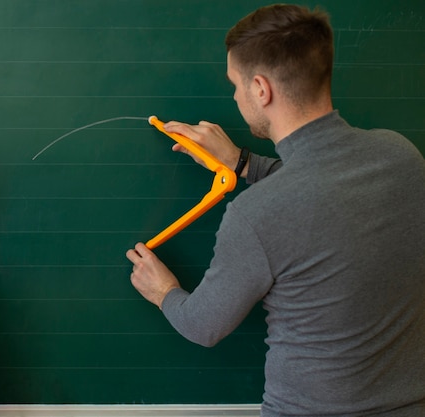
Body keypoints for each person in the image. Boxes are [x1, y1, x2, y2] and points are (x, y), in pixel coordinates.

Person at [126, 4, 425, 416]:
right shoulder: (402, 157)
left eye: (235, 84)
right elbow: (323, 190)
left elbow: (203, 325)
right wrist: (241, 162)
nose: (233, 96)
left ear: (261, 89)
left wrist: (163, 291)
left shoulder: (254, 216)